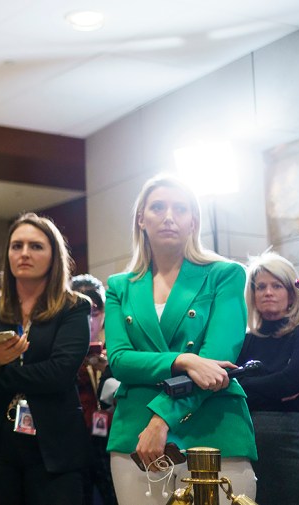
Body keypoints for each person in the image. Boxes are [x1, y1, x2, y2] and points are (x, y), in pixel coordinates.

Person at [104, 174, 256, 504]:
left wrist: (161, 420)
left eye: (180, 208)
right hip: (134, 432)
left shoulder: (225, 274)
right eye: (158, 207)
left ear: (193, 221)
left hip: (212, 425)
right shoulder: (119, 286)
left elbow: (215, 364)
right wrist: (182, 359)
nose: (169, 216)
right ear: (141, 219)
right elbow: (119, 361)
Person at [0, 212, 92, 505]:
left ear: (54, 255)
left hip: (55, 448)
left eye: (36, 246)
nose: (24, 253)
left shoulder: (73, 307)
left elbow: (60, 373)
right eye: (17, 246)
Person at [237, 251, 299, 504]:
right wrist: (275, 387)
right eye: (261, 287)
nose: (268, 292)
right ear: (252, 294)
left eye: (277, 285)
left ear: (291, 293)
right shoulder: (243, 341)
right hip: (252, 449)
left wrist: (246, 386)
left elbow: (292, 381)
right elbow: (229, 386)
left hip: (298, 446)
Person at [71, 273, 117, 505]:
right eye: (80, 313)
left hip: (108, 445)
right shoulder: (55, 357)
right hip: (69, 447)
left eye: (94, 313)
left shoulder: (118, 354)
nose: (88, 320)